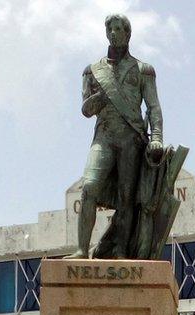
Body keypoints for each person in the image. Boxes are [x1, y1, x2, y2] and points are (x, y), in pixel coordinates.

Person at [68, 13, 164, 259]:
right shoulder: (92, 71)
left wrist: (157, 137)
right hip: (104, 137)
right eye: (110, 29)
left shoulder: (144, 70)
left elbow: (153, 107)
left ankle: (121, 251)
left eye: (119, 29)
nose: (114, 33)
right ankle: (81, 249)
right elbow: (86, 110)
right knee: (89, 187)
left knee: (126, 198)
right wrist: (101, 96)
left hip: (131, 139)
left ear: (127, 34)